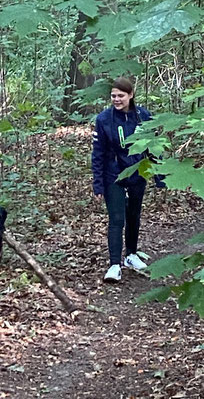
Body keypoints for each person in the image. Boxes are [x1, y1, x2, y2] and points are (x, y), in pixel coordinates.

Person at [92, 77, 152, 282]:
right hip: (113, 176)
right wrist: (98, 183)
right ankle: (114, 264)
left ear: (131, 95)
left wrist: (161, 176)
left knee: (134, 215)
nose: (116, 99)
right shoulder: (103, 119)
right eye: (113, 96)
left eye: (121, 96)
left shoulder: (143, 116)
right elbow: (97, 153)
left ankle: (131, 255)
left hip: (138, 173)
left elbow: (153, 147)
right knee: (117, 219)